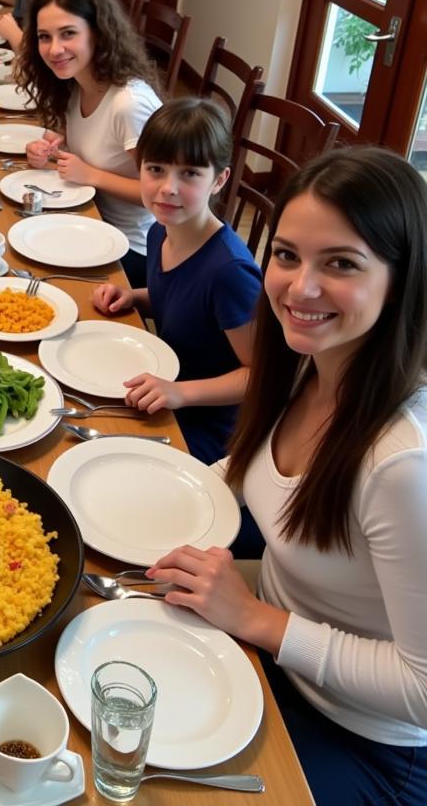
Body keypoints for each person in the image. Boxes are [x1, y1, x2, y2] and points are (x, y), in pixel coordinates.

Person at [148, 147, 427, 805]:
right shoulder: (311, 359)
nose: (300, 288)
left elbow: (421, 690)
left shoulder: (403, 465)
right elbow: (247, 472)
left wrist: (256, 619)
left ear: (403, 278)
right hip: (262, 649)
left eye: (341, 264)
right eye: (287, 254)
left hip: (361, 740)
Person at [92, 98, 260, 464]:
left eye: (189, 174)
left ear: (219, 180)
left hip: (206, 429)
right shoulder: (161, 231)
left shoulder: (230, 272)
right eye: (155, 169)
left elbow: (259, 375)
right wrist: (133, 296)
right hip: (164, 393)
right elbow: (184, 300)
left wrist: (181, 392)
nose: (168, 187)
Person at [21, 0, 162, 286]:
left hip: (135, 251)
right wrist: (52, 148)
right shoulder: (77, 84)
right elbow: (92, 145)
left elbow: (165, 193)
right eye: (45, 36)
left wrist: (92, 175)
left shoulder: (129, 103)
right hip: (92, 220)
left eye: (68, 33)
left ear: (97, 33)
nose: (55, 49)